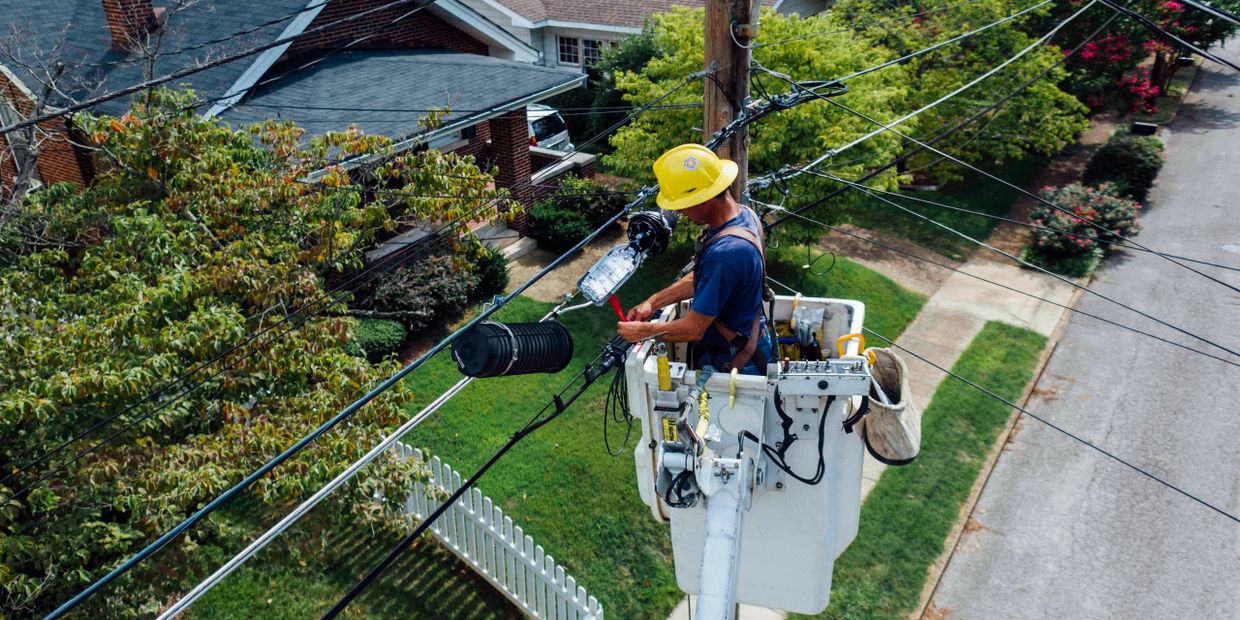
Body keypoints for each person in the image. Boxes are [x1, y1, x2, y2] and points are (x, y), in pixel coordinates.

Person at [616, 144, 773, 375]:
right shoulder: (744, 216)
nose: (681, 214)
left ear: (703, 201)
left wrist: (642, 331)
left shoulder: (726, 253)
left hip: (736, 361)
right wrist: (654, 302)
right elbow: (703, 279)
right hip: (747, 341)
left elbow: (693, 329)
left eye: (682, 206)